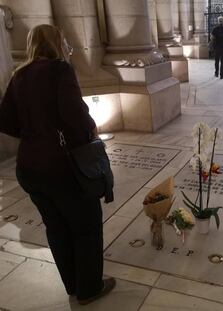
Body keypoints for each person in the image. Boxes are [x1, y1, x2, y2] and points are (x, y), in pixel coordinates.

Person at [0, 24, 115, 305]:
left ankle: (72, 285)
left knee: (56, 227)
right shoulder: (60, 70)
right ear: (57, 43)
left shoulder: (19, 75)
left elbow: (6, 121)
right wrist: (90, 130)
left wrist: (35, 133)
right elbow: (75, 115)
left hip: (29, 169)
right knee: (86, 226)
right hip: (62, 169)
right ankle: (89, 288)